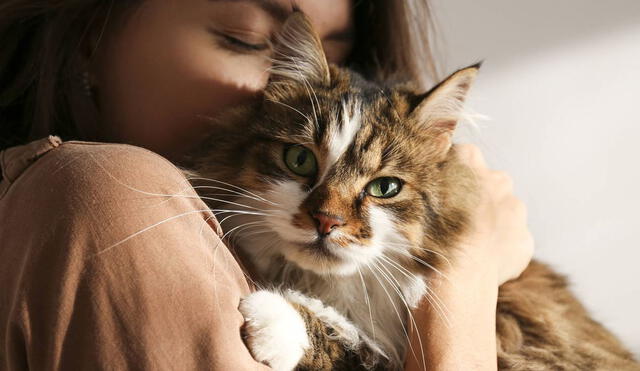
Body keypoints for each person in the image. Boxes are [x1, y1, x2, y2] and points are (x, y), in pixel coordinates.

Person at [0, 0, 533, 369]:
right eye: (249, 40)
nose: (298, 87)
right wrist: (464, 281)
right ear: (91, 36)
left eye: (337, 57)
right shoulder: (112, 193)